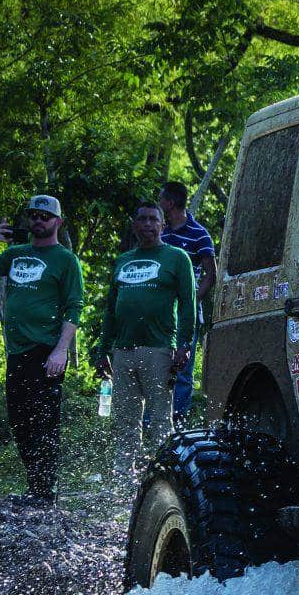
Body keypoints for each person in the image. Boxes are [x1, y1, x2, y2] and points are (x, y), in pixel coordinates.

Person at [0, 194, 83, 503]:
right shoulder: (15, 254)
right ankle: (33, 484)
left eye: (45, 216)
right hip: (17, 352)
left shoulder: (65, 260)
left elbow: (74, 307)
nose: (38, 220)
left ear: (57, 222)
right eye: (34, 215)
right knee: (19, 419)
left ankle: (44, 490)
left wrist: (61, 350)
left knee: (45, 421)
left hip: (47, 350)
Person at [94, 199, 200, 482]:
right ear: (134, 225)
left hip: (160, 349)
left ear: (163, 225)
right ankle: (122, 478)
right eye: (143, 219)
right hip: (123, 350)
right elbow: (110, 310)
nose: (148, 225)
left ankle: (162, 478)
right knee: (125, 419)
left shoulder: (177, 257)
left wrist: (185, 345)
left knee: (160, 419)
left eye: (154, 219)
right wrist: (104, 349)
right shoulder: (123, 260)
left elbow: (188, 306)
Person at [159, 181, 215, 424]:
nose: (159, 203)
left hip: (185, 314)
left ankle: (178, 422)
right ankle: (152, 421)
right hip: (158, 312)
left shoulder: (199, 233)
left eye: (161, 199)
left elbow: (210, 274)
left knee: (182, 370)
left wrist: (190, 301)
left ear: (170, 203)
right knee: (156, 365)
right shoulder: (160, 232)